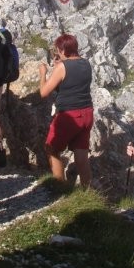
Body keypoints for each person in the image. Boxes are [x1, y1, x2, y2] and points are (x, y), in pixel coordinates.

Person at [38, 34, 93, 187]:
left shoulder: (62, 67)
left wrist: (43, 74)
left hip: (69, 115)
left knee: (51, 148)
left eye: (58, 50)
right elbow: (72, 79)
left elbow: (44, 92)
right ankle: (87, 192)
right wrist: (60, 64)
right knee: (81, 154)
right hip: (87, 113)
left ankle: (59, 187)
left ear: (62, 50)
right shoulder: (86, 63)